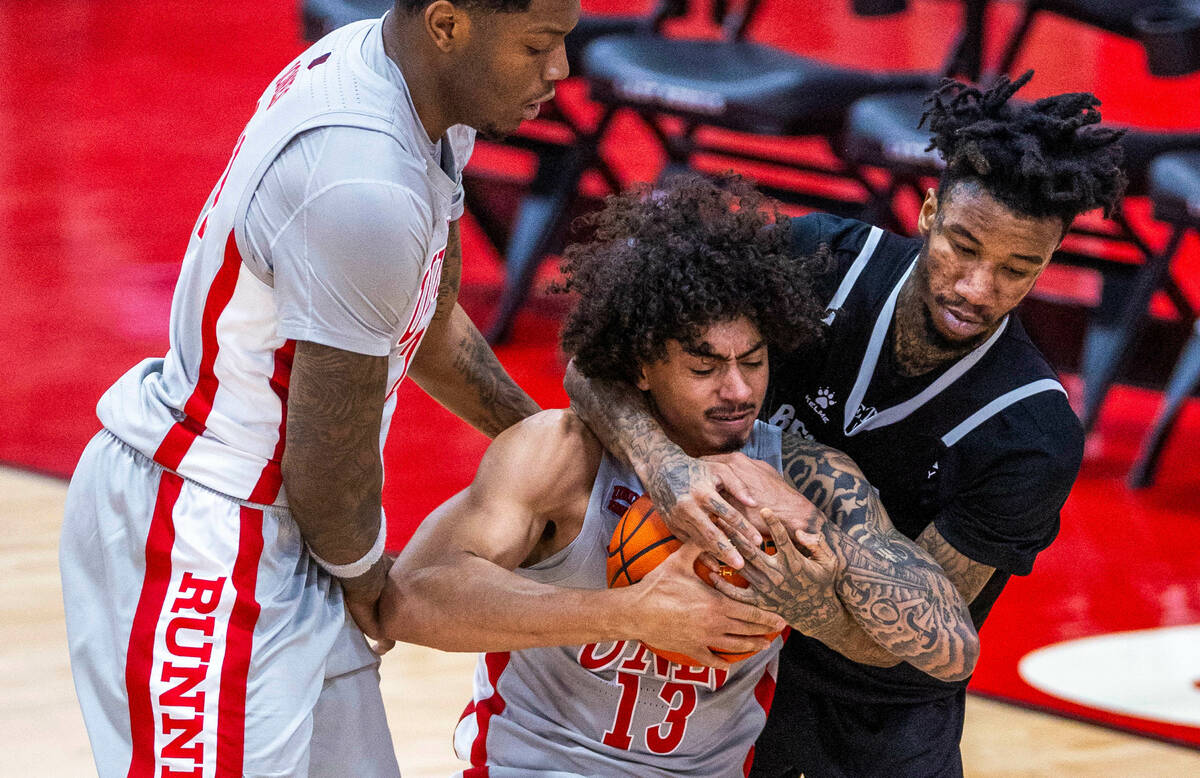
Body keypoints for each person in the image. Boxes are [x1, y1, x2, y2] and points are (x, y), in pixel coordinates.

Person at [59, 1, 579, 775]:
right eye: (539, 44)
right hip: (208, 535)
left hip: (295, 532)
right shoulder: (365, 182)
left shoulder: (417, 92)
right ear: (447, 25)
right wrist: (370, 578)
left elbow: (426, 323)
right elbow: (326, 467)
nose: (561, 70)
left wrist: (555, 449)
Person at [564, 72, 1127, 777]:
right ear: (927, 212)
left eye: (1020, 268)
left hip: (877, 714)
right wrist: (662, 463)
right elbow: (595, 364)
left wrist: (810, 601)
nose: (978, 288)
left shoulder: (1032, 431)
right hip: (717, 667)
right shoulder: (819, 259)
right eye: (964, 245)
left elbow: (926, 640)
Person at [378, 176, 979, 776]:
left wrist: (821, 549)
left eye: (754, 361)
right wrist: (631, 613)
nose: (739, 390)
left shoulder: (807, 477)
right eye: (704, 367)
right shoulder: (561, 455)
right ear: (642, 366)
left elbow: (954, 647)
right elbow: (411, 596)